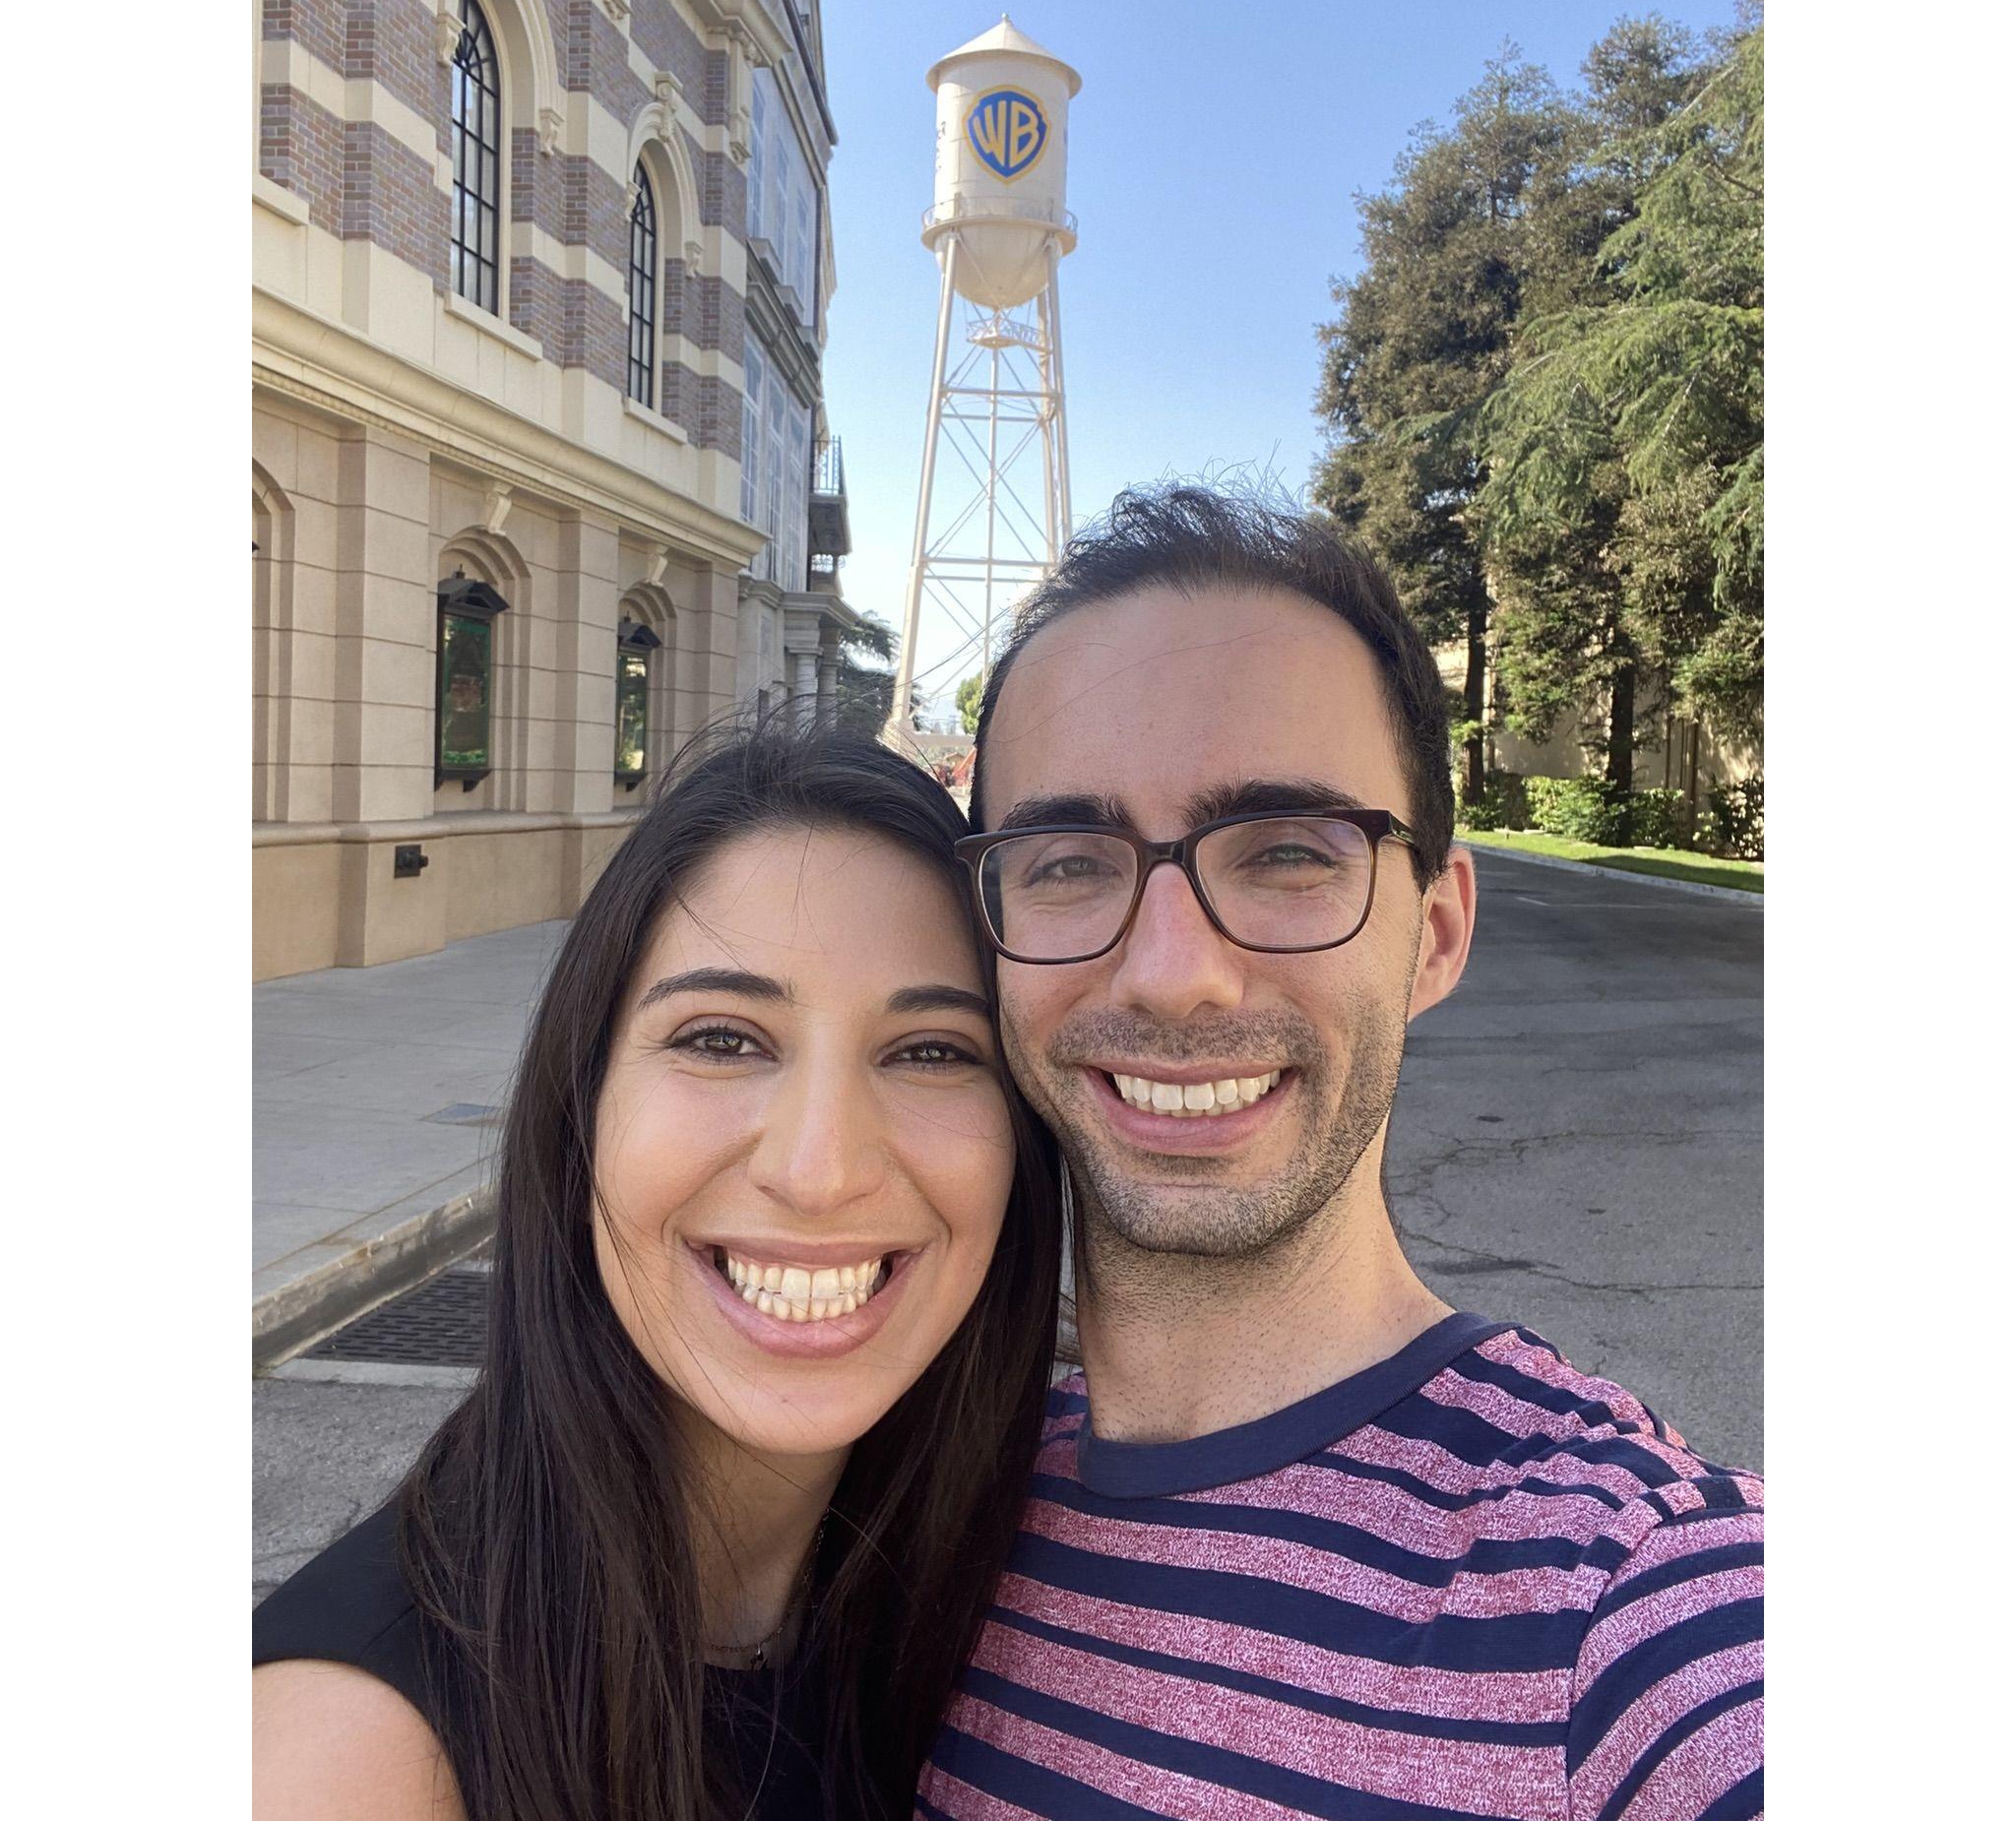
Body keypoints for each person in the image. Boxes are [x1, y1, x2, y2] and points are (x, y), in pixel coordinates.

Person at [920, 486, 1763, 1819]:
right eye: (1069, 861)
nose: (1172, 975)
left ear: (1435, 933)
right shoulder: (920, 1503)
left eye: (1290, 853)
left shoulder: (1628, 1599)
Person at [254, 727, 1063, 1821]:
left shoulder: (994, 1594)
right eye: (723, 1038)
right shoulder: (346, 1758)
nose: (818, 1169)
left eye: (930, 1050)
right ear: (581, 1106)